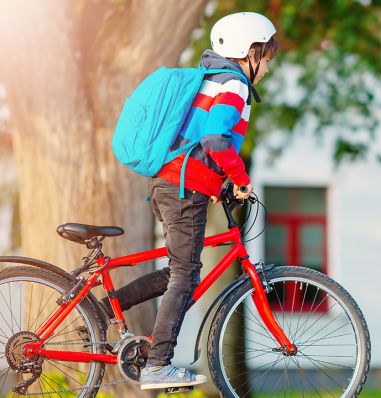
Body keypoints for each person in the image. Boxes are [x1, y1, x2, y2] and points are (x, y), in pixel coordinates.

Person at [100, 12, 279, 390]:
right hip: (184, 189)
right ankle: (159, 364)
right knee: (186, 274)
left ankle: (99, 311)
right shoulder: (234, 84)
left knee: (178, 271)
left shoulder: (211, 79)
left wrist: (220, 184)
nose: (269, 65)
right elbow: (215, 138)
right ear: (250, 52)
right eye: (268, 55)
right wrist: (240, 179)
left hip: (169, 183)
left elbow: (201, 141)